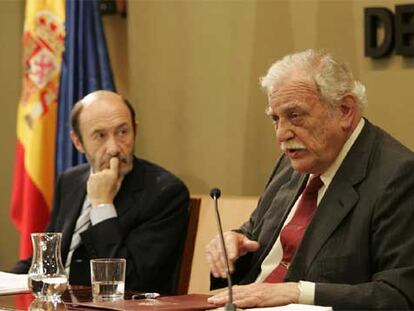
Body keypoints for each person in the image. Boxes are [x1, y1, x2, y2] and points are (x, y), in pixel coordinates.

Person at [205, 49, 414, 309]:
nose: (281, 134)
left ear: (345, 111)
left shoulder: (398, 176)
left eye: (295, 115)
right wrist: (234, 241)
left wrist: (296, 293)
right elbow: (255, 232)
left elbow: (398, 295)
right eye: (275, 119)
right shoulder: (293, 162)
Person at [11, 90, 190, 294]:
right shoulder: (70, 181)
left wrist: (102, 205)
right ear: (78, 142)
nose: (114, 148)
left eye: (123, 132)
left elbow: (131, 282)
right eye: (100, 136)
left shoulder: (164, 193)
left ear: (135, 130)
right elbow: (48, 259)